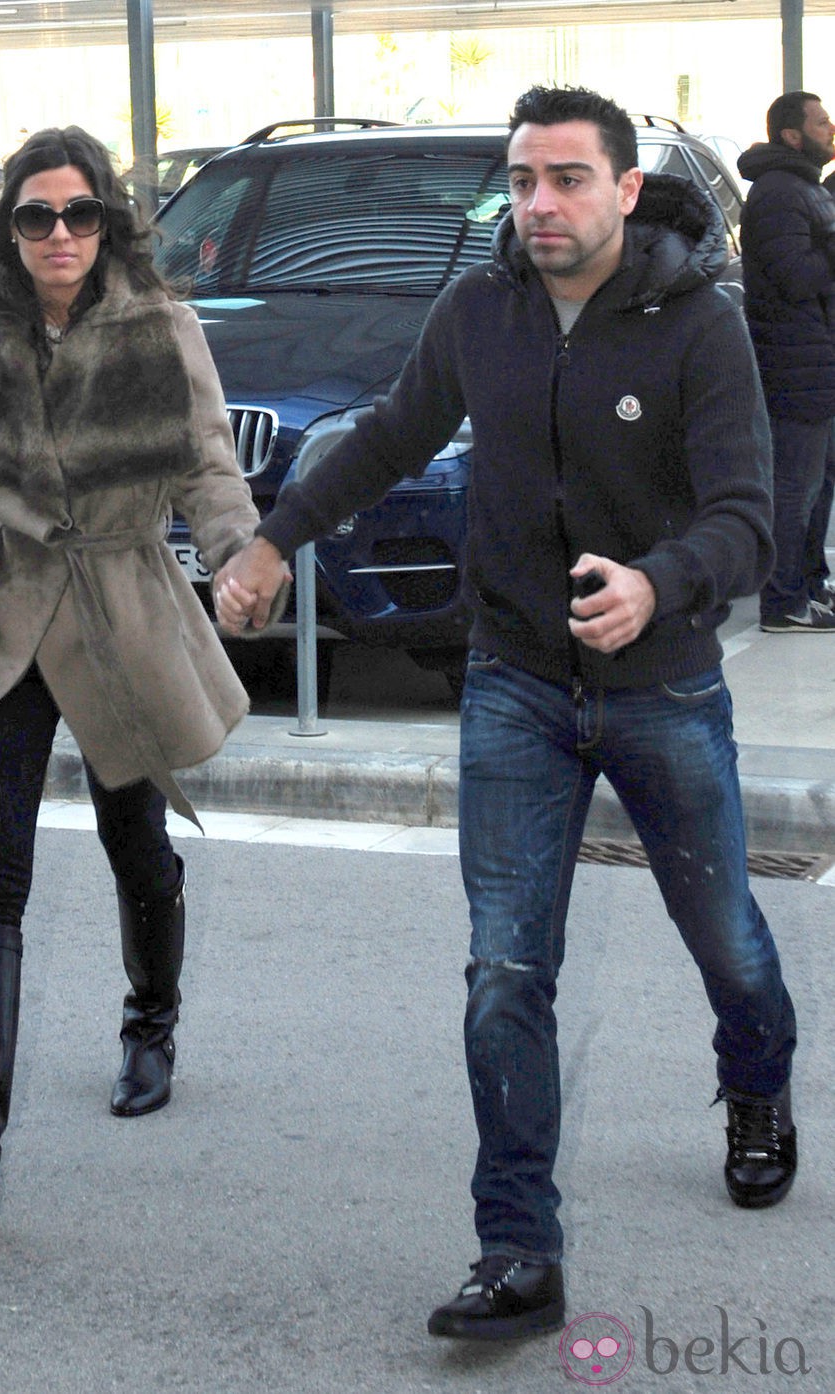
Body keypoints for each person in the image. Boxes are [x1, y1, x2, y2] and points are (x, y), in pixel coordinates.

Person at [213, 86, 798, 1343]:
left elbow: (745, 516)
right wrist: (273, 541)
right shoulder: (478, 309)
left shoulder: (698, 327)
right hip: (514, 686)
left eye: (567, 179)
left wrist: (657, 583)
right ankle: (516, 1248)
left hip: (663, 686)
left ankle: (755, 1083)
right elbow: (383, 438)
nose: (538, 202)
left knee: (729, 943)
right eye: (523, 180)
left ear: (625, 191)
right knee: (501, 972)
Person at [0, 125, 285, 1227]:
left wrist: (235, 560)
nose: (57, 234)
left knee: (132, 833)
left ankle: (151, 1014)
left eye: (76, 214)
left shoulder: (160, 326)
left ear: (106, 222)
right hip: (2, 602)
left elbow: (209, 461)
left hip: (117, 605)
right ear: (9, 230)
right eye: (34, 216)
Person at [737, 91, 835, 631]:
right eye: (822, 121)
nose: (831, 127)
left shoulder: (806, 187)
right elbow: (798, 278)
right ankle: (783, 600)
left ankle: (811, 584)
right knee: (795, 487)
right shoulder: (777, 193)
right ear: (793, 136)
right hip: (794, 366)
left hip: (817, 361)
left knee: (818, 484)